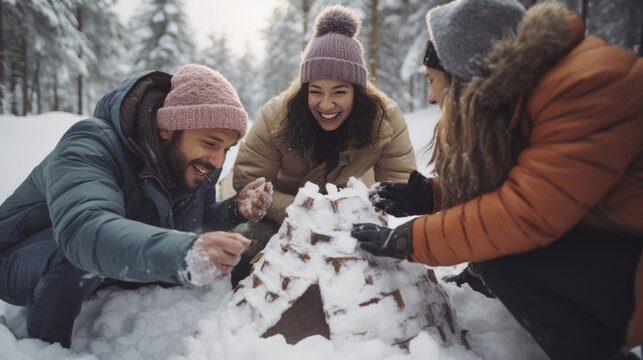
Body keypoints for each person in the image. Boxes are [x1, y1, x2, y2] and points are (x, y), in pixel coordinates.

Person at [351, 1, 643, 359]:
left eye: (432, 82)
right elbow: (536, 183)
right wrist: (431, 197)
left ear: (462, 77)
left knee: (500, 251)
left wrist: (408, 239)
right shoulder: (536, 89)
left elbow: (527, 212)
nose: (429, 97)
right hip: (620, 249)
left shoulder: (589, 85)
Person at [0, 64, 273, 348]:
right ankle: (46, 350)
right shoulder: (90, 143)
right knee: (74, 255)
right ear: (167, 127)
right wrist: (185, 254)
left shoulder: (191, 166)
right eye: (210, 143)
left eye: (226, 149)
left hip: (98, 263)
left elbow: (192, 226)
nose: (218, 161)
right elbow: (85, 231)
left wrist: (232, 211)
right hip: (19, 260)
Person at [226, 5, 416, 284]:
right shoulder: (276, 115)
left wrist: (357, 210)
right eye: (316, 92)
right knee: (245, 253)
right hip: (280, 219)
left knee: (376, 276)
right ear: (305, 90)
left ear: (358, 92)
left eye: (339, 92)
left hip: (350, 221)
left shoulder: (384, 120)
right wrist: (303, 209)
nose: (326, 104)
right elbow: (248, 182)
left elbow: (400, 187)